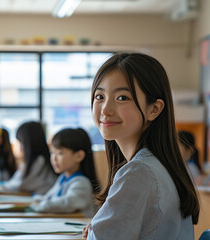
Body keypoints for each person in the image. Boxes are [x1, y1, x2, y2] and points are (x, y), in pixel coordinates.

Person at [83, 52, 199, 239]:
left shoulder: (138, 172)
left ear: (154, 109)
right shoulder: (158, 164)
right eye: (99, 96)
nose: (105, 109)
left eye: (122, 98)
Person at [30, 128, 99, 218]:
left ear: (79, 156)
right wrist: (34, 200)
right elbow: (49, 197)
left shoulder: (82, 183)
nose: (54, 159)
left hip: (78, 229)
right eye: (52, 153)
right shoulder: (63, 178)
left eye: (59, 153)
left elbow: (67, 203)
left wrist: (42, 205)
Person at [3, 121, 57, 195]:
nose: (20, 147)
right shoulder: (30, 161)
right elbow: (14, 183)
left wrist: (4, 186)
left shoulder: (40, 160)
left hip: (39, 199)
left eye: (21, 142)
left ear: (28, 142)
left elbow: (21, 185)